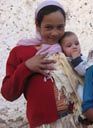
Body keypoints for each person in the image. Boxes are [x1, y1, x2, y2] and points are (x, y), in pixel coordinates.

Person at [1, 0, 84, 128]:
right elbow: (8, 93)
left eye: (60, 27)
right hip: (43, 124)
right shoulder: (20, 52)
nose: (55, 33)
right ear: (37, 25)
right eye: (48, 27)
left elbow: (82, 77)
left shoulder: (66, 48)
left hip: (74, 121)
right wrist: (26, 67)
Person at [59, 31, 87, 100]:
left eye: (76, 44)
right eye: (69, 46)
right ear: (62, 50)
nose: (74, 47)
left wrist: (77, 59)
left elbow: (84, 71)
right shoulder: (64, 62)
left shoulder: (84, 59)